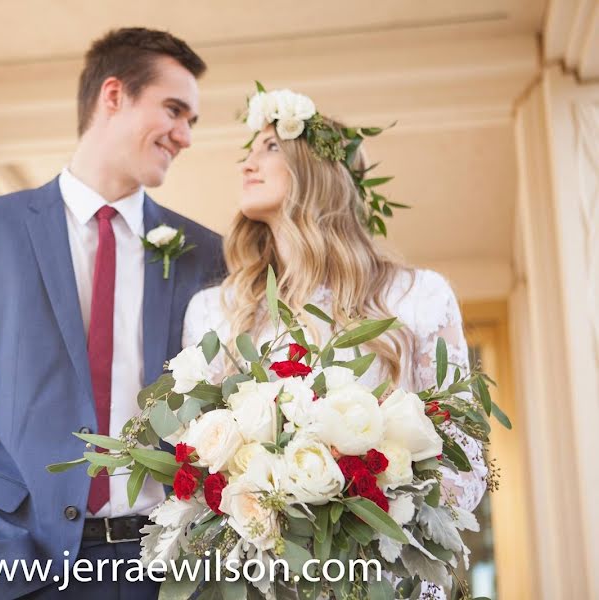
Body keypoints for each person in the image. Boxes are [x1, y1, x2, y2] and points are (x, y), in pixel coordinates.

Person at [0, 28, 225, 600]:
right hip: (10, 568)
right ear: (113, 95)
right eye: (174, 111)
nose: (185, 136)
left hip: (159, 574)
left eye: (191, 122)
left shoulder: (206, 254)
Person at [182, 88, 488, 599]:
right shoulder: (216, 310)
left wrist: (375, 516)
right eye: (249, 150)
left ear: (317, 173)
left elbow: (466, 459)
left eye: (270, 147)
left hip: (384, 577)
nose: (248, 164)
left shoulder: (417, 296)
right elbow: (196, 462)